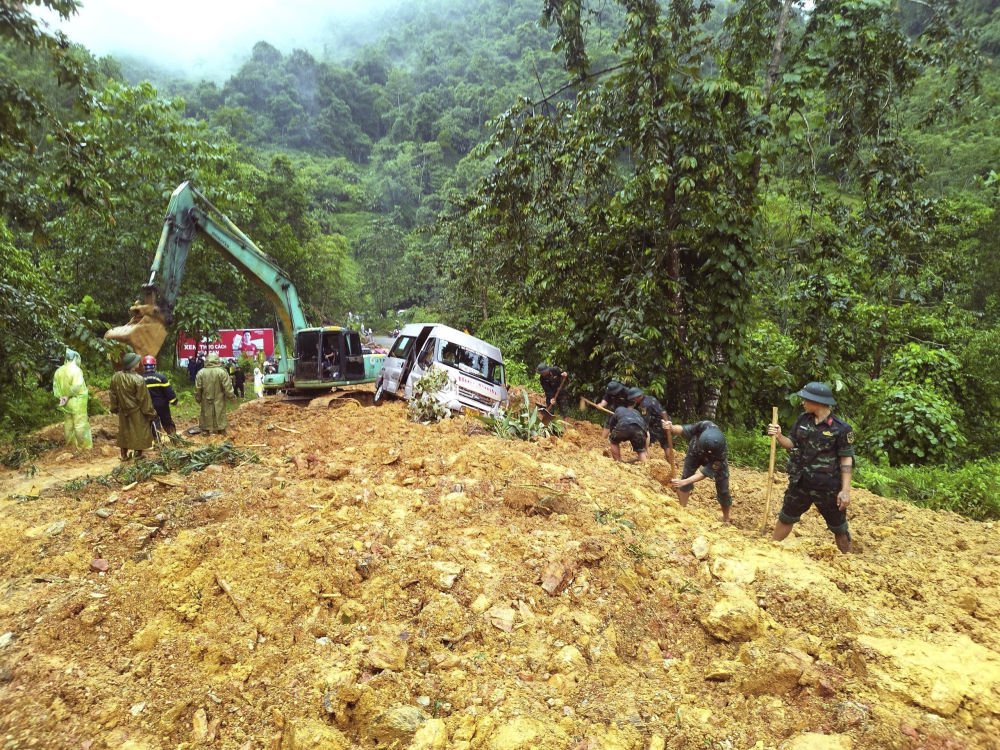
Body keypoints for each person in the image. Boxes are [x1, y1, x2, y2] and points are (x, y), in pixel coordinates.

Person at [768, 381, 855, 554]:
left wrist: (845, 490)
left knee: (839, 527)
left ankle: (849, 559)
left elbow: (846, 459)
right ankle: (769, 550)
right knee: (786, 517)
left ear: (818, 402)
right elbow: (792, 444)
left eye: (805, 399)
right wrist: (779, 436)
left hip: (828, 487)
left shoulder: (841, 429)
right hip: (801, 482)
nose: (803, 402)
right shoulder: (802, 420)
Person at [662, 419, 732, 523]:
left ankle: (726, 518)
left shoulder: (721, 453)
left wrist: (684, 482)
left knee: (723, 489)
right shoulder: (704, 425)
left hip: (713, 460)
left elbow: (704, 473)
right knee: (686, 477)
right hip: (694, 452)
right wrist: (671, 428)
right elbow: (684, 429)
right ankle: (682, 510)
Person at [109, 352, 156, 460]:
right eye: (137, 361)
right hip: (136, 411)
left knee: (124, 432)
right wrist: (150, 412)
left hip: (123, 410)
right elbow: (144, 399)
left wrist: (114, 407)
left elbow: (112, 393)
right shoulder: (138, 379)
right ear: (133, 364)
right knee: (140, 432)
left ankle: (124, 455)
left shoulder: (116, 376)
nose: (139, 363)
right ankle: (138, 454)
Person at [52, 348, 93, 453]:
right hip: (77, 401)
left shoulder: (59, 371)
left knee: (68, 424)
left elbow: (55, 388)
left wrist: (62, 397)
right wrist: (68, 395)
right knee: (80, 425)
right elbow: (77, 386)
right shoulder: (76, 370)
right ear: (75, 357)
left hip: (65, 403)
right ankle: (84, 449)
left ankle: (70, 447)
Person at [195, 352, 236, 434]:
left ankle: (205, 430)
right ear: (217, 360)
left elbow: (198, 388)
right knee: (219, 411)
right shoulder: (222, 372)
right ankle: (221, 429)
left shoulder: (201, 372)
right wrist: (232, 396)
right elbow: (227, 386)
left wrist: (198, 398)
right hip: (219, 397)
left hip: (205, 397)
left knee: (206, 412)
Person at [629, 387, 669, 461]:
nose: (633, 400)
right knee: (666, 445)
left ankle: (644, 458)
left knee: (643, 438)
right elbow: (662, 412)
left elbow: (644, 424)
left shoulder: (644, 405)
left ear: (637, 397)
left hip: (657, 426)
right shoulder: (650, 398)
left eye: (634, 399)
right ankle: (670, 462)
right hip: (665, 423)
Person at [141, 355, 178, 437]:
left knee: (153, 423)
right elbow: (169, 392)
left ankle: (157, 442)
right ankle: (174, 439)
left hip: (148, 406)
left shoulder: (140, 379)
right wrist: (174, 401)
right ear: (154, 366)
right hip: (162, 405)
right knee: (167, 422)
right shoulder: (161, 378)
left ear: (144, 367)